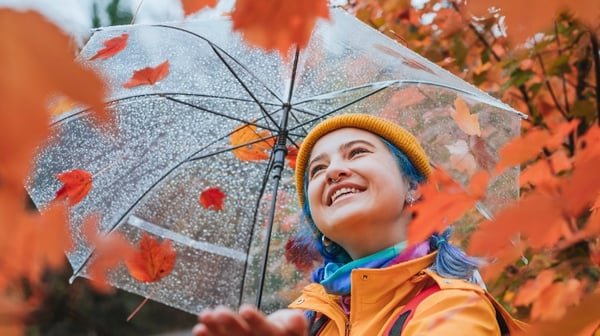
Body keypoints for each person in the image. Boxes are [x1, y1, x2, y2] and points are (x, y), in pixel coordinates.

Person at [192, 113, 526, 336]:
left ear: (414, 187)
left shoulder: (455, 306)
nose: (334, 171)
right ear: (317, 220)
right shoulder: (307, 317)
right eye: (317, 170)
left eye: (356, 153)